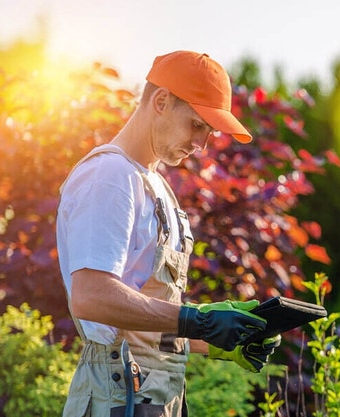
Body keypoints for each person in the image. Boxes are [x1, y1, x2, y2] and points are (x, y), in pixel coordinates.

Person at [57, 50, 280, 417]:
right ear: (161, 101)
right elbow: (91, 296)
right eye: (196, 125)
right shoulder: (111, 176)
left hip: (156, 394)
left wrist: (220, 338)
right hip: (117, 397)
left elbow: (147, 330)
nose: (201, 144)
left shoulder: (157, 186)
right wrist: (198, 320)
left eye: (209, 132)